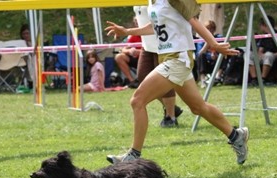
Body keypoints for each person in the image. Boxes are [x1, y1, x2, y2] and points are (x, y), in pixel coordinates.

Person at [105, 0, 249, 165]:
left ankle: (133, 156)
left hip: (178, 59)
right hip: (170, 58)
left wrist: (214, 44)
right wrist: (127, 31)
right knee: (198, 107)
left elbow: (193, 22)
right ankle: (237, 136)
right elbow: (155, 27)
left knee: (137, 101)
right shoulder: (152, 2)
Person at [134, 5, 183, 127]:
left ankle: (170, 117)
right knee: (142, 76)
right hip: (147, 45)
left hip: (162, 44)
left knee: (164, 81)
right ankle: (172, 107)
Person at [249, 16, 277, 86]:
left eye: (260, 25)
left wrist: (276, 54)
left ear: (265, 25)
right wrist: (259, 53)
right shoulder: (263, 36)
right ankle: (254, 79)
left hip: (274, 56)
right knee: (249, 54)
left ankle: (263, 79)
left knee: (268, 55)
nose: (260, 27)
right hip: (263, 56)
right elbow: (261, 48)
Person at [195, 20, 224, 88]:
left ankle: (217, 78)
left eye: (212, 28)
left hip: (218, 61)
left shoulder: (219, 38)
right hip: (206, 63)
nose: (210, 30)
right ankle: (203, 80)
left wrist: (216, 55)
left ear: (214, 29)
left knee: (223, 54)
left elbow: (224, 47)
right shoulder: (201, 40)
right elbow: (199, 54)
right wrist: (207, 43)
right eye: (207, 28)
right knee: (200, 56)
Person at [114, 17, 142, 89]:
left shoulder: (150, 34)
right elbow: (123, 49)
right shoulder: (133, 35)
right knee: (119, 57)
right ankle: (133, 82)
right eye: (135, 22)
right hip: (136, 59)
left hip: (147, 58)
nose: (137, 23)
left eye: (138, 21)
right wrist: (129, 51)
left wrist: (139, 52)